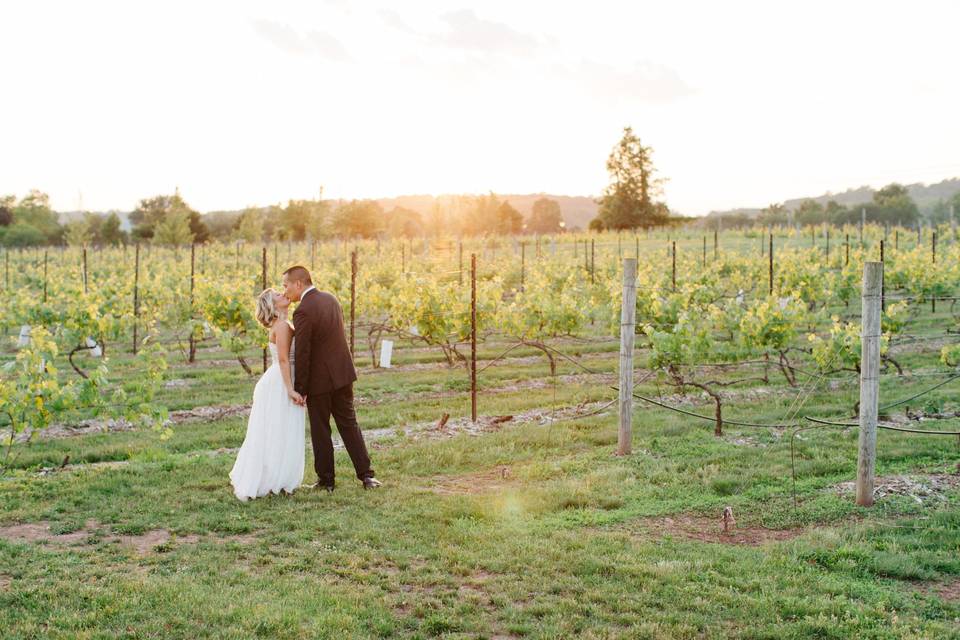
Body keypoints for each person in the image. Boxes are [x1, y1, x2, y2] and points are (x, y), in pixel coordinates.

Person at [282, 265, 381, 491]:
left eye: (286, 285)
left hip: (320, 381)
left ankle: (326, 481)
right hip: (343, 374)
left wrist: (300, 388)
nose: (285, 290)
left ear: (299, 283)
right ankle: (367, 476)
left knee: (320, 429)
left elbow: (303, 352)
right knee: (349, 424)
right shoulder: (331, 299)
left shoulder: (303, 310)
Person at [228, 289, 306, 501]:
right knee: (277, 430)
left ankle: (279, 477)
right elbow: (283, 360)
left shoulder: (284, 323)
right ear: (273, 305)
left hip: (282, 379)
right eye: (278, 294)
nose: (284, 293)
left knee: (280, 429)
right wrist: (290, 389)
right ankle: (272, 479)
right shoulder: (281, 326)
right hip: (280, 383)